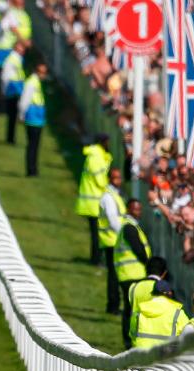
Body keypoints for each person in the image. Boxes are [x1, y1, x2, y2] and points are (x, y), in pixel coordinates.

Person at [76, 133, 112, 264]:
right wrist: (109, 188)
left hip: (93, 200)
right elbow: (100, 180)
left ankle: (96, 258)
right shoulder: (96, 158)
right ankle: (96, 259)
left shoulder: (97, 156)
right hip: (94, 202)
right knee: (97, 233)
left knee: (97, 233)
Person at [0, 0, 31, 113]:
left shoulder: (24, 15)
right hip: (4, 50)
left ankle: (9, 107)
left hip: (13, 50)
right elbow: (13, 28)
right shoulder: (10, 12)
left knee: (13, 79)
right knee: (2, 79)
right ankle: (1, 106)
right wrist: (24, 41)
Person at [99, 169, 127, 315]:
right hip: (112, 239)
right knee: (114, 275)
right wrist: (124, 235)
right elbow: (112, 220)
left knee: (114, 274)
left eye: (119, 177)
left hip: (113, 239)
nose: (119, 180)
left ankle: (114, 304)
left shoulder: (114, 195)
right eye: (115, 178)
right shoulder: (109, 197)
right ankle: (113, 305)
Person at [130, 280, 190, 349]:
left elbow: (132, 334)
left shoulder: (139, 312)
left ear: (153, 293)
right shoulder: (178, 314)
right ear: (170, 293)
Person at [124, 256, 164, 349]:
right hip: (159, 336)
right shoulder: (164, 289)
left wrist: (127, 340)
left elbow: (126, 313)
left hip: (137, 335)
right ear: (164, 272)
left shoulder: (134, 287)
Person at [17, 62, 47, 176]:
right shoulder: (31, 83)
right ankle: (31, 170)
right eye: (42, 72)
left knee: (34, 145)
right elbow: (24, 100)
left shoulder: (35, 82)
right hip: (33, 118)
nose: (44, 75)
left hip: (37, 119)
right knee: (32, 145)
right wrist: (21, 115)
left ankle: (33, 168)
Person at [0, 39, 28, 145]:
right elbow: (5, 75)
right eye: (21, 47)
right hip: (13, 89)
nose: (23, 49)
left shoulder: (17, 58)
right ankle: (10, 138)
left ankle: (11, 137)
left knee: (13, 115)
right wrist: (3, 89)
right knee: (12, 115)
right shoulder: (12, 59)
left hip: (16, 88)